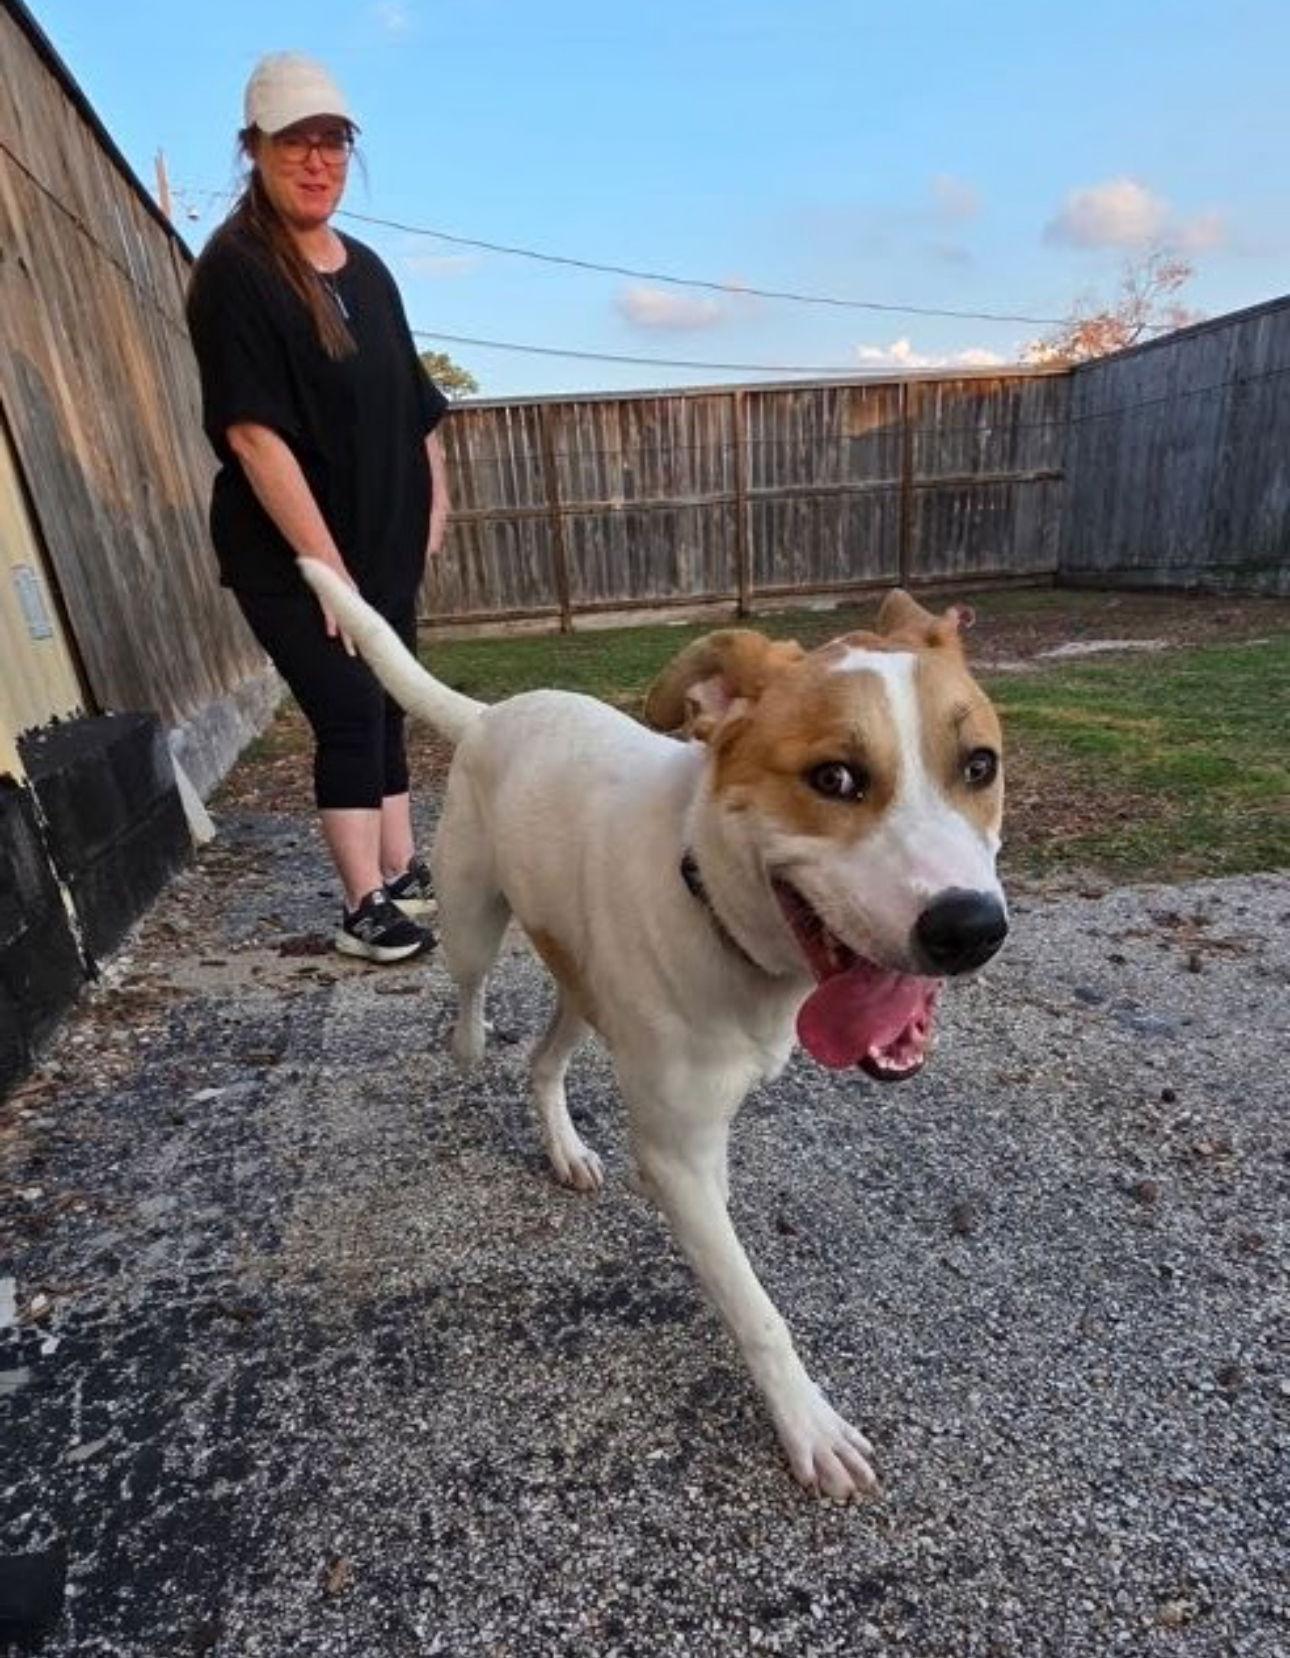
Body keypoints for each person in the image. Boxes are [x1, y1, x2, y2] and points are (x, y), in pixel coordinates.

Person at [187, 53, 450, 963]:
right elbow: (254, 436)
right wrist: (327, 574)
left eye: (331, 141)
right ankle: (361, 904)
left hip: (383, 545)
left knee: (389, 705)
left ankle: (405, 873)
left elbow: (418, 411)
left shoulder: (368, 271)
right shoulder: (236, 271)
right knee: (345, 706)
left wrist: (430, 516)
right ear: (253, 148)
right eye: (294, 141)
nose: (316, 160)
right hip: (292, 554)